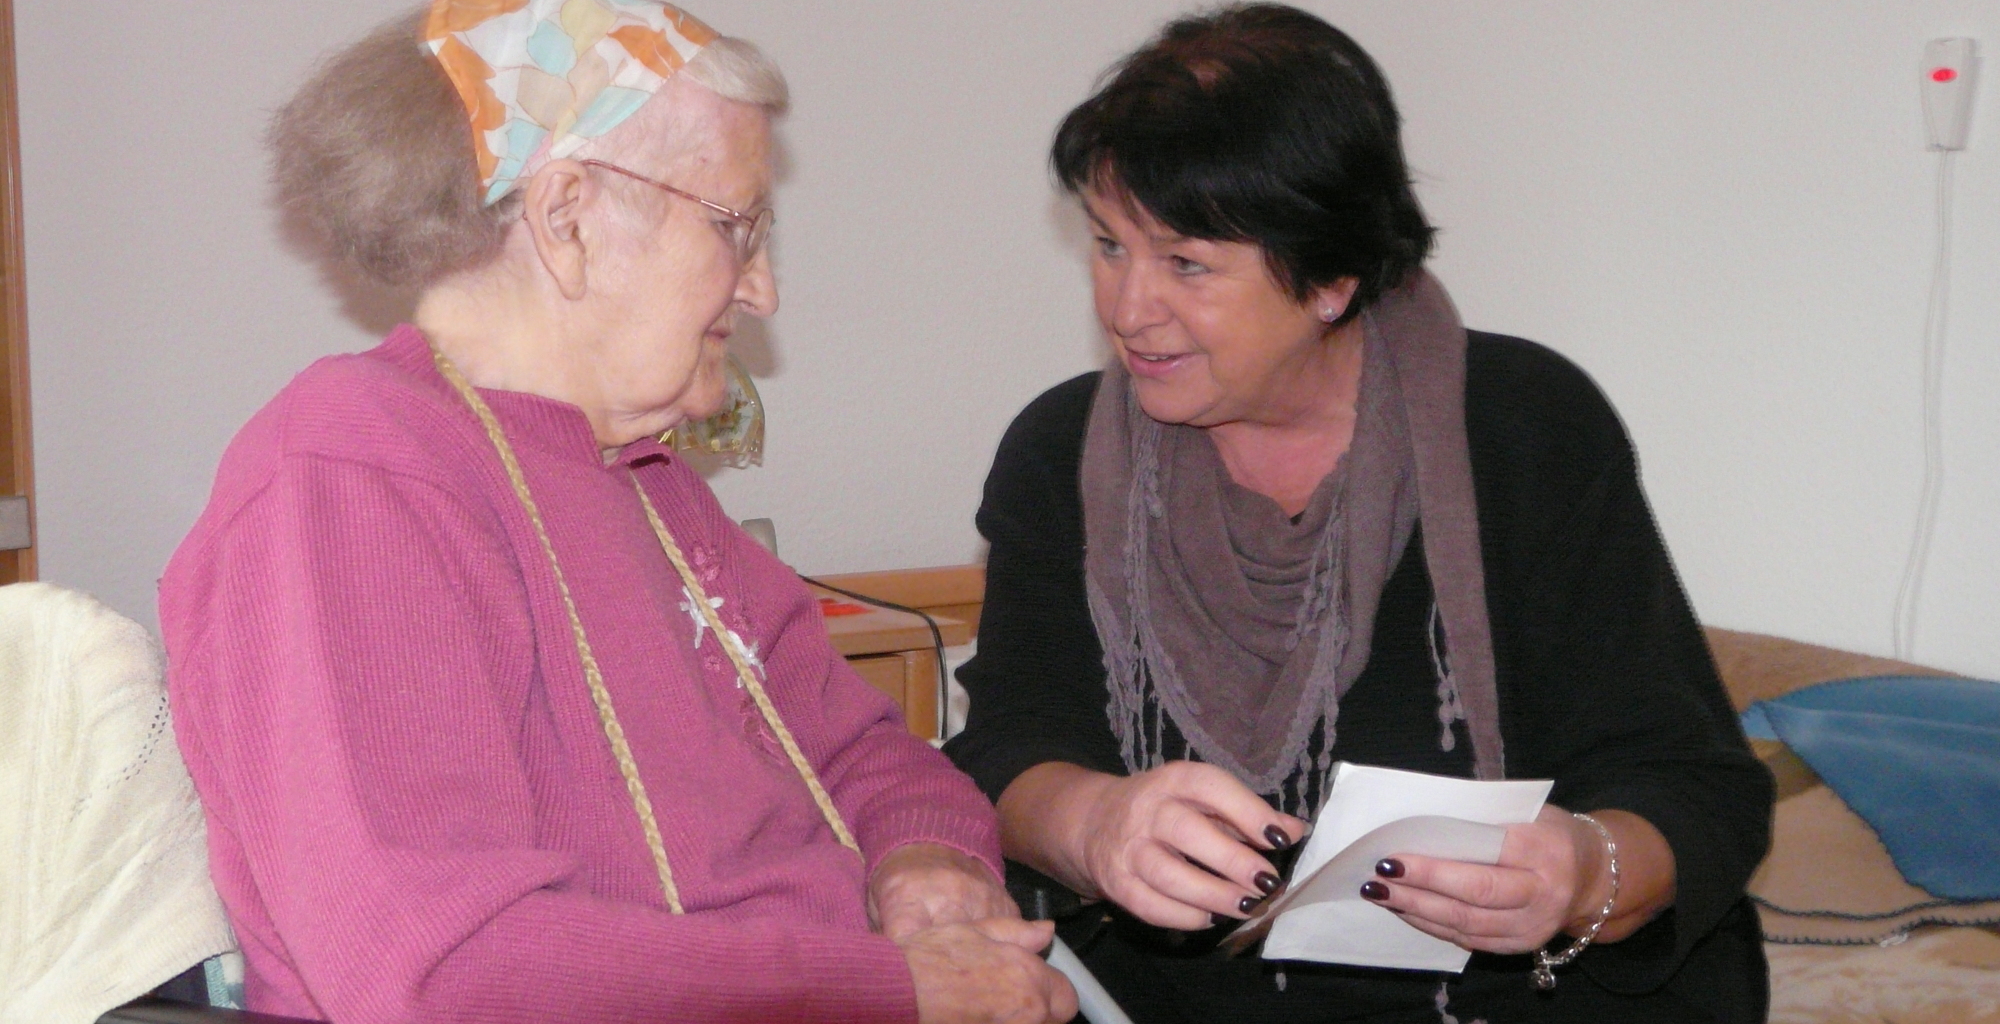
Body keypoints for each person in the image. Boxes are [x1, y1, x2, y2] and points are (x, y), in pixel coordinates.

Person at [159, 4, 1074, 1023]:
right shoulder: (351, 469)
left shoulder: (651, 481)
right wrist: (897, 989)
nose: (762, 290)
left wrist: (925, 859)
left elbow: (869, 755)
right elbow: (448, 974)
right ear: (567, 217)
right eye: (734, 226)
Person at [943, 5, 1773, 1022]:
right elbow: (1004, 751)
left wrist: (1581, 873)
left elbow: (1693, 788)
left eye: (1186, 264)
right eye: (1110, 247)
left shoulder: (1523, 427)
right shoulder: (1061, 454)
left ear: (1330, 277)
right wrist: (1090, 820)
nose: (1127, 308)